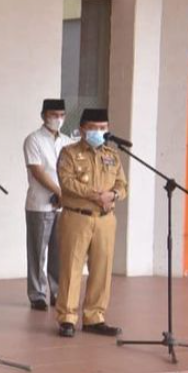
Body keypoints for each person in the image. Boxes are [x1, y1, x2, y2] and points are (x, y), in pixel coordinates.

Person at [56, 108, 127, 338]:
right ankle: (67, 317)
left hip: (105, 220)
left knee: (102, 269)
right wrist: (96, 195)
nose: (99, 132)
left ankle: (94, 317)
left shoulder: (112, 155)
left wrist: (113, 195)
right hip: (77, 216)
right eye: (95, 128)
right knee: (71, 267)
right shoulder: (69, 153)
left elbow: (122, 185)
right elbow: (67, 182)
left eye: (103, 128)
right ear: (83, 129)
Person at [23, 98, 74, 311]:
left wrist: (66, 194)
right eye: (54, 115)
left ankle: (56, 291)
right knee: (37, 250)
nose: (58, 119)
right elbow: (38, 170)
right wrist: (58, 191)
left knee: (58, 250)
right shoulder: (33, 139)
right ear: (44, 115)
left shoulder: (67, 141)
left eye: (61, 115)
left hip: (63, 204)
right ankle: (37, 293)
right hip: (40, 203)